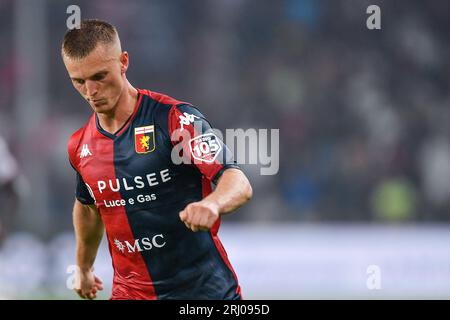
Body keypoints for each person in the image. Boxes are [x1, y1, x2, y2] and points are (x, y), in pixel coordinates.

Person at [61, 19, 252, 300]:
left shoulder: (174, 120)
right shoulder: (80, 145)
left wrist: (213, 203)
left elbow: (237, 181)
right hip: (130, 293)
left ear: (123, 62)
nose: (91, 92)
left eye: (100, 76)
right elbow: (89, 207)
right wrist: (83, 267)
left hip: (203, 293)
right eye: (79, 81)